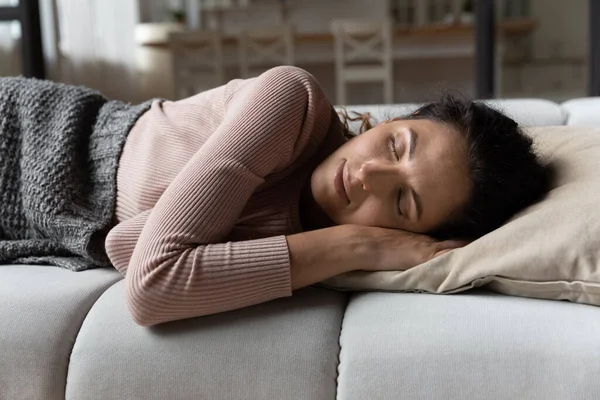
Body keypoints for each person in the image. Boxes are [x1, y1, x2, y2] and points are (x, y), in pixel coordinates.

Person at [0, 66, 551, 326]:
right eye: (396, 144)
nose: (369, 176)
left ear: (414, 235)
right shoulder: (289, 104)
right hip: (32, 136)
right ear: (395, 119)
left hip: (38, 218)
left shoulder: (307, 237)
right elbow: (152, 285)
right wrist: (358, 243)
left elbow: (126, 247)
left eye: (404, 202)